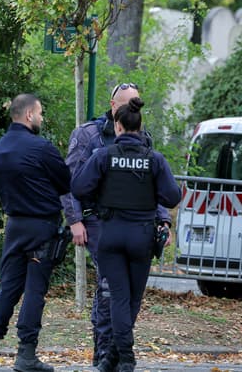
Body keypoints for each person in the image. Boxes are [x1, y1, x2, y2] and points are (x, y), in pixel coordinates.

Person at [59, 83, 172, 366]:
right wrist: (75, 220)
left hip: (134, 227)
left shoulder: (143, 139)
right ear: (113, 106)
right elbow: (71, 182)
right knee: (111, 292)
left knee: (127, 295)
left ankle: (113, 356)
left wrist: (163, 220)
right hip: (99, 222)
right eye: (128, 104)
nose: (134, 108)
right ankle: (107, 354)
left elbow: (154, 188)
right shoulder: (89, 135)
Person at [0, 94, 71, 372]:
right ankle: (26, 354)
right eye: (40, 113)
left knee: (8, 288)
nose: (42, 118)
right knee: (34, 290)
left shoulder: (0, 149)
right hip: (42, 226)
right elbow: (65, 182)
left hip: (14, 226)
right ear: (29, 115)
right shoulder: (40, 148)